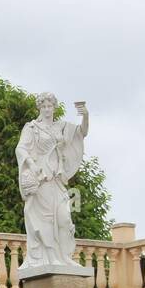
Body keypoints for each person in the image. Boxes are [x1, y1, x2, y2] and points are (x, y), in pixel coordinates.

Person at [16, 93, 89, 271]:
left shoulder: (61, 127)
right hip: (42, 179)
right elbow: (20, 148)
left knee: (64, 219)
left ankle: (64, 257)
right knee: (46, 220)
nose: (47, 109)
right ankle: (50, 256)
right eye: (44, 106)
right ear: (39, 108)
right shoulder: (32, 128)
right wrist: (32, 166)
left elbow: (82, 133)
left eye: (50, 106)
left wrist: (85, 115)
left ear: (54, 107)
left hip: (57, 179)